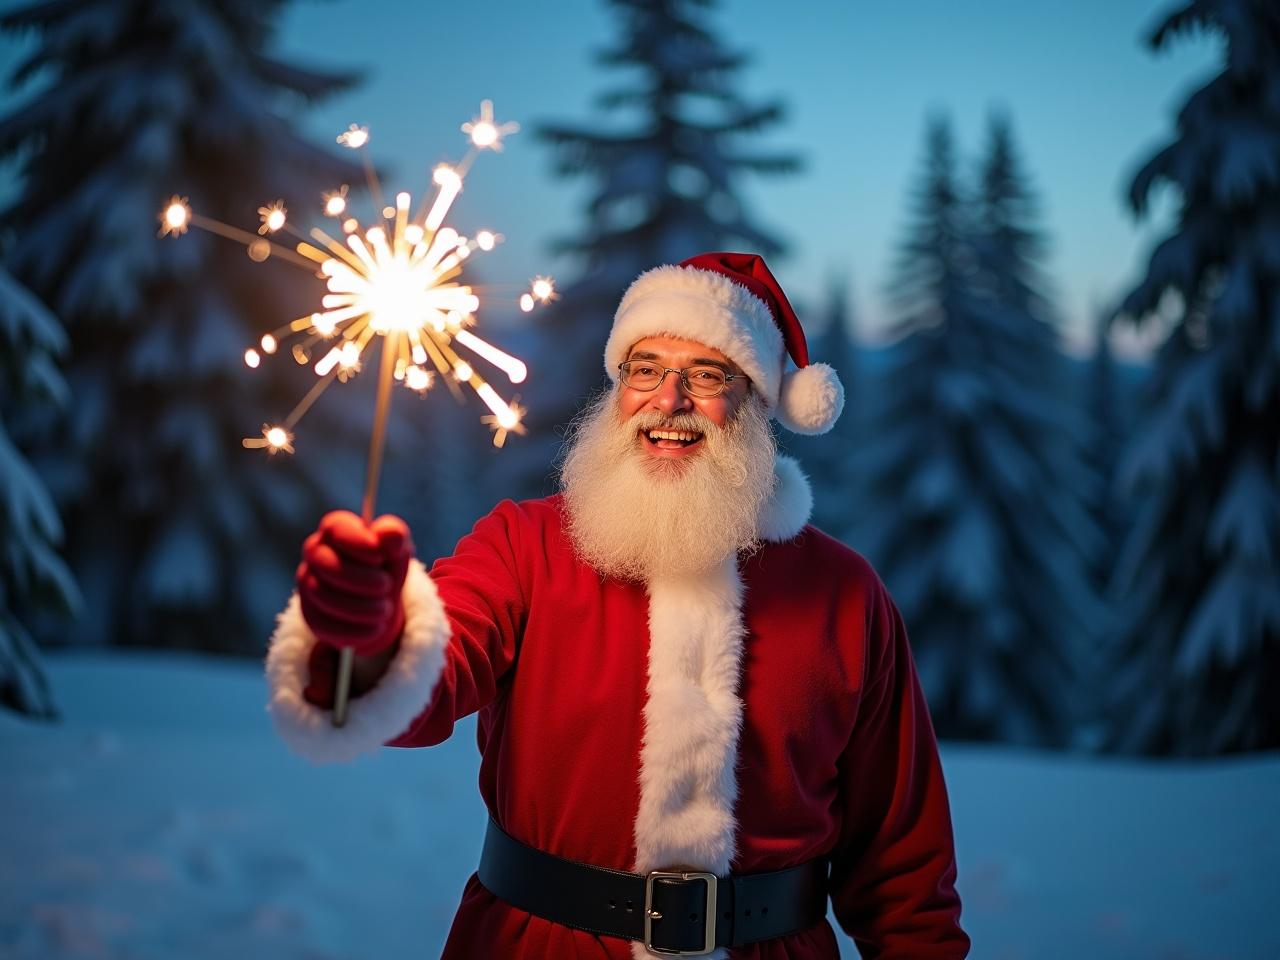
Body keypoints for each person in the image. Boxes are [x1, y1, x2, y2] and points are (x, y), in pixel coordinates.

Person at [266, 252, 970, 959]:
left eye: (706, 374)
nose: (669, 400)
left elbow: (902, 863)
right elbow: (428, 678)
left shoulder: (845, 594)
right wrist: (366, 633)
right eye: (645, 368)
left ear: (757, 400)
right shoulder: (525, 545)